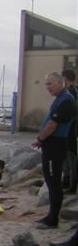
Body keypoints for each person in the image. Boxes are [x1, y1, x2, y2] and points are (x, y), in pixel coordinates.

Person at [31, 72, 77, 229]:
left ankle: (53, 219)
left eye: (50, 84)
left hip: (55, 146)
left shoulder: (66, 101)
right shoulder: (61, 98)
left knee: (54, 182)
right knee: (52, 181)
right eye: (46, 84)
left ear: (59, 82)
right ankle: (51, 215)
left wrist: (40, 139)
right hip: (52, 145)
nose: (47, 87)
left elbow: (52, 125)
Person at [61, 69, 77, 195]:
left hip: (70, 130)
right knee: (68, 157)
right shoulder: (73, 92)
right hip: (71, 129)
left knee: (70, 157)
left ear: (65, 78)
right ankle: (67, 182)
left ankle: (71, 184)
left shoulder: (69, 93)